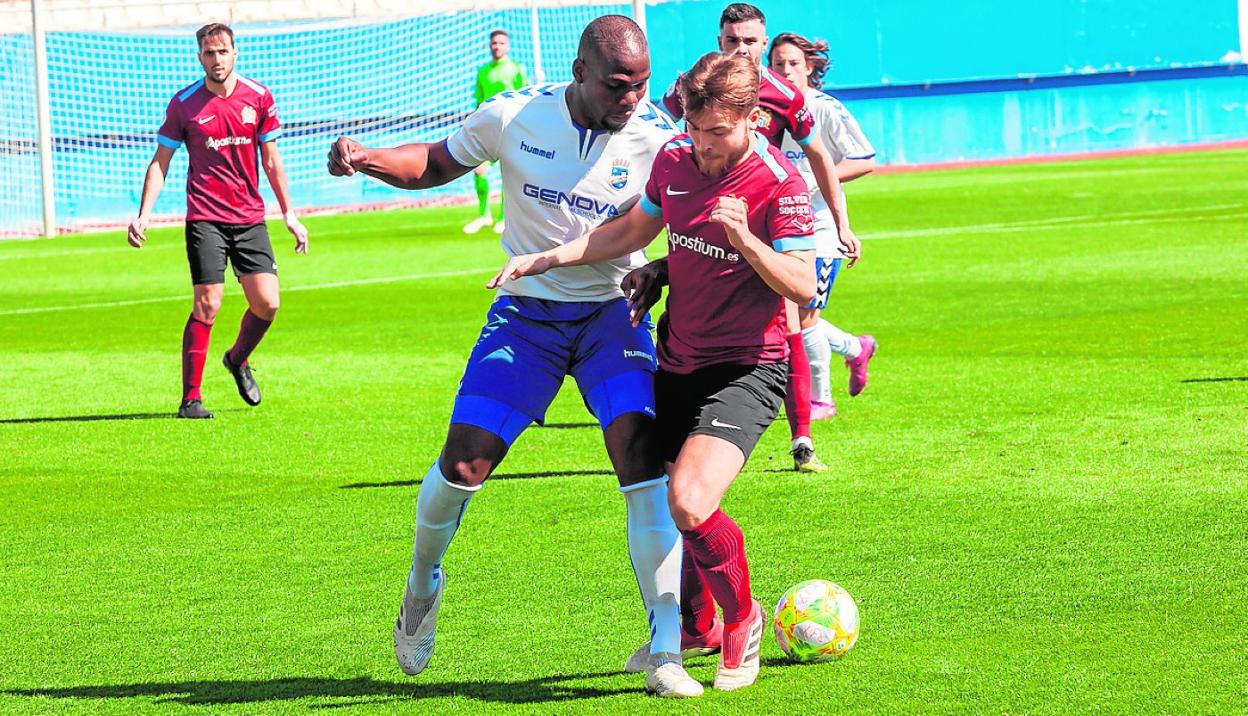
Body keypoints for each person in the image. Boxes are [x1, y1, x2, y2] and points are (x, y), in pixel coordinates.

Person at [327, 15, 702, 698]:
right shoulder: (516, 116)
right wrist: (368, 157)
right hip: (527, 314)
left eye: (641, 84)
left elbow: (688, 223)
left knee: (643, 460)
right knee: (464, 462)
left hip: (611, 316)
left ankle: (666, 646)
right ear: (580, 72)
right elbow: (438, 163)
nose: (631, 99)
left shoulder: (658, 139)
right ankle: (421, 586)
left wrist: (662, 274)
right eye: (618, 85)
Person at [492, 51, 816, 692]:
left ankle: (741, 619)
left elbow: (803, 285)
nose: (703, 145)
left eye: (718, 132)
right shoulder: (672, 159)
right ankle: (693, 628)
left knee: (690, 501)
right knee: (675, 504)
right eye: (694, 129)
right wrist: (548, 259)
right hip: (677, 358)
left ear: (752, 118)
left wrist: (747, 241)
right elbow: (630, 229)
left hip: (748, 368)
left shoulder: (780, 182)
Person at [651, 2, 858, 472]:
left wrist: (840, 220)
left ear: (763, 44)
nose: (741, 49)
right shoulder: (692, 89)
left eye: (750, 41)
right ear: (718, 42)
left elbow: (820, 156)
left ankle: (802, 439)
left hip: (769, 219)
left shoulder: (785, 94)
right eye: (731, 41)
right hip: (708, 218)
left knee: (793, 322)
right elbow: (665, 139)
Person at [127, 22, 308, 420]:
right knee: (208, 303)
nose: (216, 59)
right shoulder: (184, 104)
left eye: (222, 51)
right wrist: (144, 214)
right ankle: (190, 399)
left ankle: (237, 359)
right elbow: (161, 162)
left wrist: (289, 214)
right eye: (209, 53)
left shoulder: (259, 97)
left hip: (249, 218)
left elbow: (272, 161)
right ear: (200, 57)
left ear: (234, 53)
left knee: (268, 303)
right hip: (205, 218)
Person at [769, 32, 878, 417]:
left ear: (809, 67)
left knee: (802, 314)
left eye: (794, 64)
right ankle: (854, 347)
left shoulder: (825, 108)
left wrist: (817, 176)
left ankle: (821, 398)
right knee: (786, 315)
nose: (785, 71)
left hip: (819, 229)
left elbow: (863, 158)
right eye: (778, 64)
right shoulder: (764, 111)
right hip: (776, 230)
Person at [464, 29, 528, 235]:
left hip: (511, 129)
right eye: (494, 43)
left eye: (501, 43)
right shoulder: (483, 72)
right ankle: (484, 214)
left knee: (507, 174)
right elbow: (478, 102)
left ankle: (503, 218)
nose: (497, 46)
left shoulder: (517, 69)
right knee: (479, 170)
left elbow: (525, 99)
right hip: (486, 130)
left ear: (507, 46)